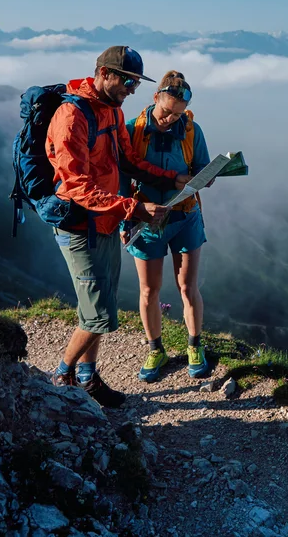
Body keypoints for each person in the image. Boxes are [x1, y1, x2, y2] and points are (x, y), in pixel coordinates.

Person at [47, 47, 192, 407]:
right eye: (126, 80)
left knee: (102, 302)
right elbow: (75, 185)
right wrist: (134, 207)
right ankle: (61, 375)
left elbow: (128, 161)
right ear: (103, 73)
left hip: (107, 221)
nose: (131, 89)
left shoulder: (111, 110)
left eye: (135, 83)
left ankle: (88, 377)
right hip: (80, 227)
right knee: (99, 315)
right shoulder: (72, 116)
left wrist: (172, 178)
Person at [120, 71, 212, 382]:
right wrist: (126, 217)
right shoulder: (132, 130)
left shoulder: (191, 130)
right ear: (155, 98)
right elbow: (120, 178)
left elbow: (201, 167)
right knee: (149, 290)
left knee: (188, 287)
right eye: (166, 111)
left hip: (185, 215)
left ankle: (194, 345)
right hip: (145, 220)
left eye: (177, 114)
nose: (169, 119)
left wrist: (206, 177)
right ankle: (155, 349)